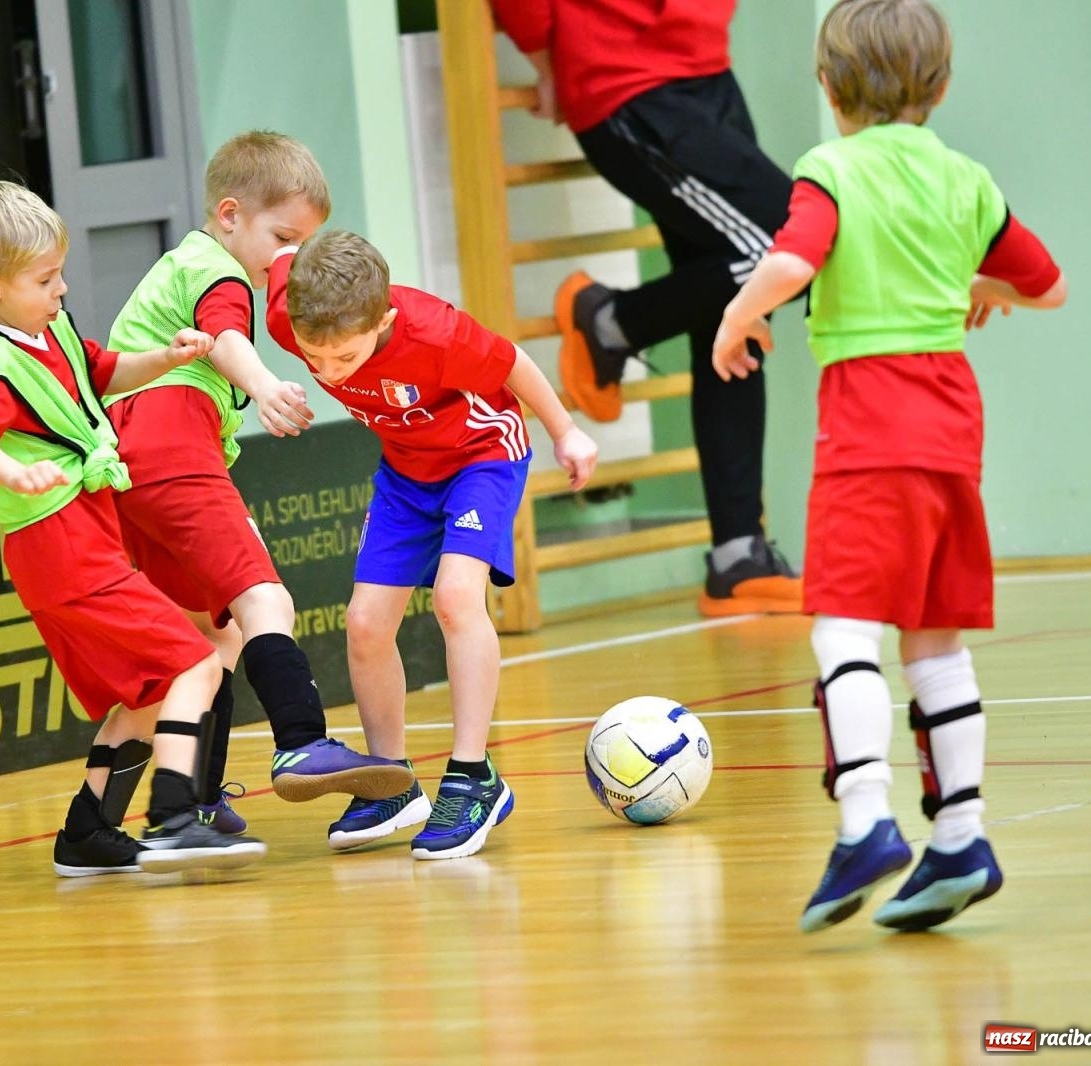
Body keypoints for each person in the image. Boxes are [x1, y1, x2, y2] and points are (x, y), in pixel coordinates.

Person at [710, 0, 1066, 932]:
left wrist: (737, 318)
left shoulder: (831, 169)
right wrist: (977, 285)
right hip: (951, 426)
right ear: (940, 88)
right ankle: (961, 837)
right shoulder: (966, 178)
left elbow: (793, 262)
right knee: (936, 639)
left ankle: (866, 820)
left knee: (843, 629)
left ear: (828, 88)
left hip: (870, 426)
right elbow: (1050, 286)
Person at [0, 180, 266, 876]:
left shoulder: (42, 327)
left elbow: (102, 370)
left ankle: (86, 831)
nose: (61, 289)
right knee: (194, 663)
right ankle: (176, 816)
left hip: (79, 541)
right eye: (46, 280)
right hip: (59, 545)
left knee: (148, 692)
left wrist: (168, 359)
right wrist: (10, 471)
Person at [102, 131, 416, 830]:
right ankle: (301, 740)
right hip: (171, 441)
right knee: (265, 601)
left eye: (300, 246)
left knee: (209, 644)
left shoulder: (180, 264)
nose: (287, 259)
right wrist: (267, 386)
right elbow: (225, 337)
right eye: (281, 238)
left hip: (127, 463)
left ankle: (143, 812)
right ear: (229, 214)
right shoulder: (217, 273)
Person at [266, 229, 598, 860]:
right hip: (406, 473)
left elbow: (514, 364)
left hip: (482, 455)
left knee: (454, 598)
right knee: (365, 623)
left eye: (345, 356)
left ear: (383, 321)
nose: (329, 371)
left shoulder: (435, 334)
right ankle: (390, 783)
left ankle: (474, 777)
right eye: (314, 358)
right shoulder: (292, 309)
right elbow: (277, 250)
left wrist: (566, 432)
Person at [492, 0, 803, 617]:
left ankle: (737, 555)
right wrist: (546, 61)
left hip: (708, 70)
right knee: (787, 249)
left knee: (736, 314)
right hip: (628, 85)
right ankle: (612, 322)